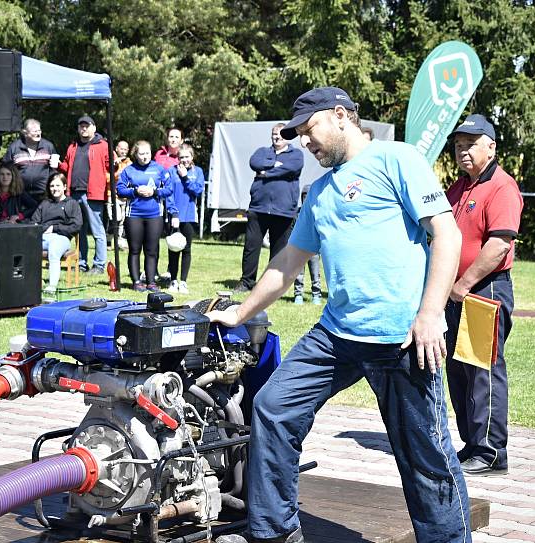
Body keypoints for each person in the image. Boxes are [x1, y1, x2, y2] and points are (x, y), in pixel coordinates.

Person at [209, 87, 469, 543]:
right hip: (336, 335)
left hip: (402, 338)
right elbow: (289, 262)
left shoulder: (397, 159)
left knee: (426, 457)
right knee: (272, 407)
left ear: (340, 115)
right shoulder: (322, 191)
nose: (305, 143)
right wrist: (239, 312)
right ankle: (273, 533)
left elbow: (446, 234)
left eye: (309, 131)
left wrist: (431, 313)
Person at [444, 114, 523, 477]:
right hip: (455, 291)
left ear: (491, 146)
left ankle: (492, 452)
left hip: (484, 288)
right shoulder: (460, 187)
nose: (463, 150)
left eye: (471, 143)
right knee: (459, 371)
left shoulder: (502, 187)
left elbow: (498, 245)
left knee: (482, 372)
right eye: (459, 144)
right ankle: (472, 444)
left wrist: (463, 284)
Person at [235, 123, 304, 293]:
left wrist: (266, 173)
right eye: (274, 134)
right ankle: (246, 282)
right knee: (251, 247)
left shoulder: (296, 155)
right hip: (258, 208)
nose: (277, 136)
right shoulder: (262, 152)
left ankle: (270, 285)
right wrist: (276, 165)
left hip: (284, 210)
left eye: (281, 134)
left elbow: (292, 168)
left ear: (288, 136)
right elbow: (254, 162)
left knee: (279, 251)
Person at [58, 115, 110, 275]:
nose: (84, 128)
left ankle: (99, 265)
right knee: (78, 229)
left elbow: (112, 166)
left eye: (87, 125)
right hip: (74, 194)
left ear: (94, 128)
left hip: (93, 194)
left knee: (97, 231)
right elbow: (67, 166)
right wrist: (59, 165)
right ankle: (81, 262)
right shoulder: (72, 146)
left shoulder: (103, 146)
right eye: (81, 126)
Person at [116, 140, 172, 292]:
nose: (145, 156)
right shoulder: (129, 170)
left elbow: (169, 189)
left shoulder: (159, 169)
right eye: (141, 153)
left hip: (154, 214)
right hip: (134, 214)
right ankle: (136, 281)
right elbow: (120, 189)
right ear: (135, 154)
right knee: (135, 249)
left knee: (152, 250)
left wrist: (154, 192)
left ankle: (151, 281)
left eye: (147, 153)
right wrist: (135, 191)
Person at [31, 173, 82, 298]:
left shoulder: (72, 203)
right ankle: (30, 284)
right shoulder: (45, 204)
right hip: (43, 237)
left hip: (62, 238)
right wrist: (45, 229)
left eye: (58, 185)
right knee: (26, 246)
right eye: (52, 186)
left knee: (54, 249)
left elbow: (76, 226)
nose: (55, 188)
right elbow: (34, 222)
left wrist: (55, 228)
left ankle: (51, 286)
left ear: (64, 186)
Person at [164, 143, 204, 294]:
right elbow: (168, 194)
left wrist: (186, 177)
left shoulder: (198, 172)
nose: (184, 160)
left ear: (192, 157)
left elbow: (198, 190)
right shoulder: (171, 172)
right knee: (174, 248)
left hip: (189, 216)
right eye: (181, 157)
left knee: (186, 249)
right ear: (177, 158)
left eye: (187, 157)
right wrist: (173, 213)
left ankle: (183, 282)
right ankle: (173, 281)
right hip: (174, 217)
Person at [2, 119, 58, 203]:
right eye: (34, 131)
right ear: (25, 133)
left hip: (44, 195)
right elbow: (5, 168)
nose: (38, 133)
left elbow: (54, 171)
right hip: (20, 194)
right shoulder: (14, 147)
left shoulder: (48, 146)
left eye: (39, 130)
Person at [291, 184, 321, 305]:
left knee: (315, 274)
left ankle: (316, 295)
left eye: (308, 196)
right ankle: (298, 295)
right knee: (298, 274)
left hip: (313, 251)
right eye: (304, 196)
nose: (306, 199)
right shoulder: (296, 214)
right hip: (299, 250)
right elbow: (291, 231)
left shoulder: (317, 213)